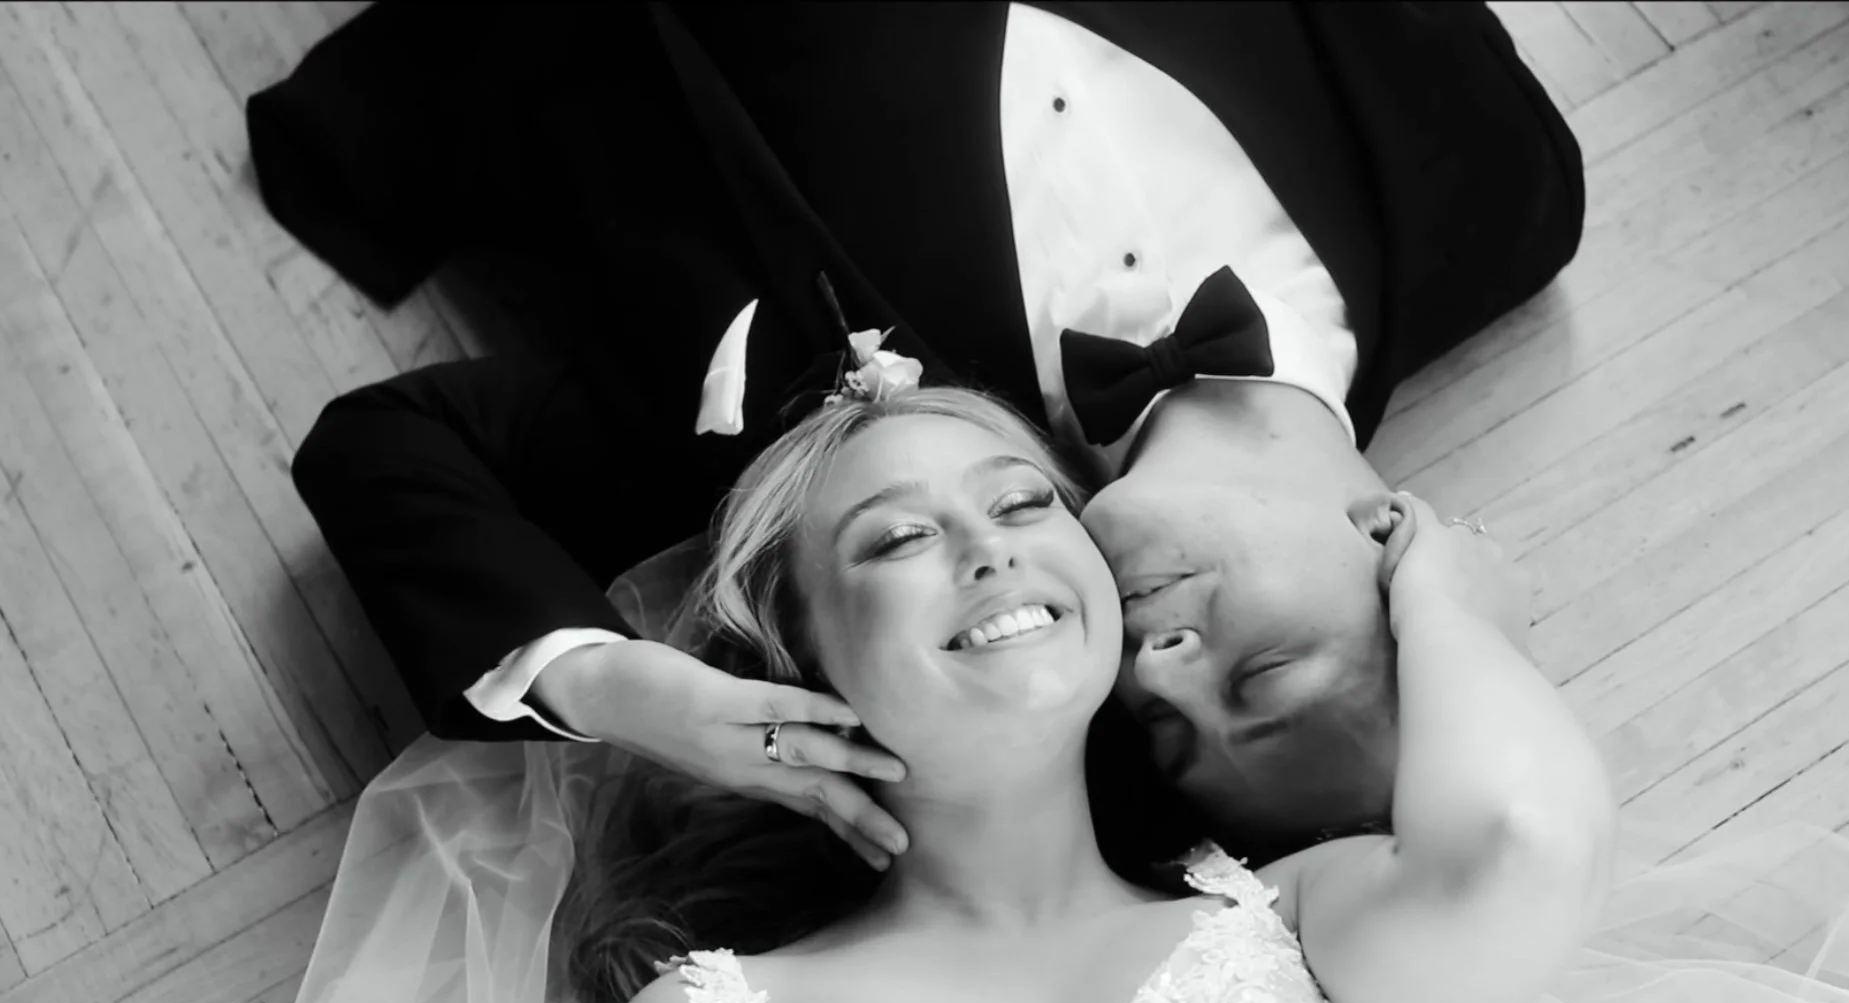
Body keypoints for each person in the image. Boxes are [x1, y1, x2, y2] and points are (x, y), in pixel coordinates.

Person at [247, 381, 1849, 1003]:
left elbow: (1524, 838)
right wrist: (644, 692)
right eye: (899, 543)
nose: (993, 555)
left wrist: (1445, 590)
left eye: (1023, 508)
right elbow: (382, 446)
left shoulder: (1287, 933)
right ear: (804, 667)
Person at [246, 0, 1587, 854]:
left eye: (1167, 731)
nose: (1163, 674)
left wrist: (619, 688)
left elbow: (387, 451)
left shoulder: (840, 452)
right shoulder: (1501, 205)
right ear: (1394, 541)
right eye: (1263, 677)